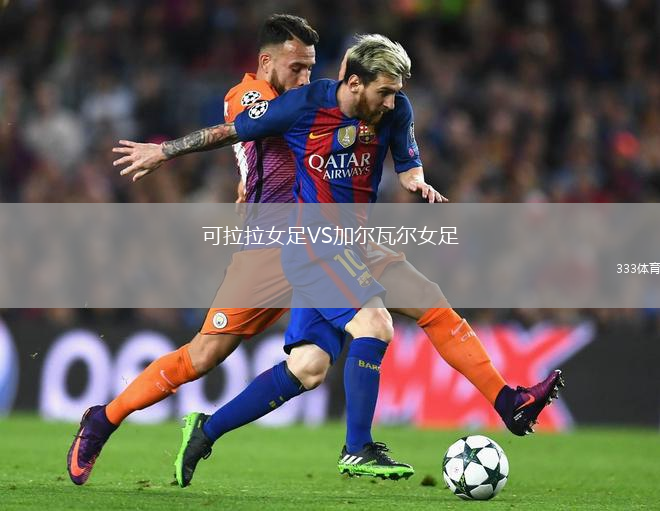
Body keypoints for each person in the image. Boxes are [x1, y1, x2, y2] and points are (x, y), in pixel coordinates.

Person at [69, 19, 563, 487]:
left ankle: (505, 401)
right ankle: (104, 419)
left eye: (311, 66)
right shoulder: (254, 98)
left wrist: (407, 168)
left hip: (336, 239)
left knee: (314, 364)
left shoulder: (343, 102)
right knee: (202, 356)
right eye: (297, 67)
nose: (305, 76)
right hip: (271, 247)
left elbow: (349, 118)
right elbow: (240, 133)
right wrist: (167, 152)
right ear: (267, 62)